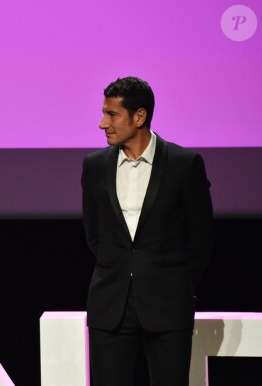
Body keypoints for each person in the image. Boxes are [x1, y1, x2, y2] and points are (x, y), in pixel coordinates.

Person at [81, 76, 214, 386]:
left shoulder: (185, 164)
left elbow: (202, 238)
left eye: (112, 114)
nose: (103, 123)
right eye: (104, 113)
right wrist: (121, 270)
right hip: (110, 306)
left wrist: (174, 282)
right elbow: (95, 234)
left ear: (139, 116)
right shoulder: (94, 165)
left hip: (168, 308)